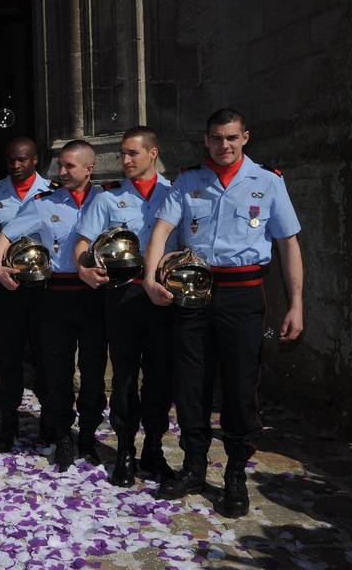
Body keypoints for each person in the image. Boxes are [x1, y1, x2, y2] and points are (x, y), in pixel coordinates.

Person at [143, 108, 304, 518]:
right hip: (193, 292)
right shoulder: (188, 180)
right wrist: (150, 277)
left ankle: (234, 473)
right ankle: (193, 465)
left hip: (243, 295)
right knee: (191, 382)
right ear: (206, 139)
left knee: (240, 383)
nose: (224, 145)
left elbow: (288, 244)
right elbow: (162, 229)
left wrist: (296, 305)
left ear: (245, 137)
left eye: (232, 137)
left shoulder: (267, 182)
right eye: (217, 138)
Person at [0, 140, 106, 471]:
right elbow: (7, 235)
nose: (62, 171)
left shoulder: (107, 200)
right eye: (60, 165)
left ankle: (87, 433)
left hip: (94, 296)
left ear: (89, 168)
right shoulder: (44, 203)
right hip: (55, 295)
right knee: (57, 371)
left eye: (71, 166)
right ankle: (63, 437)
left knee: (94, 369)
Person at [73, 127, 177, 486]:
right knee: (124, 377)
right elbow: (82, 244)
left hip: (163, 298)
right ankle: (126, 452)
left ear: (153, 153)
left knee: (161, 377)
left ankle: (153, 449)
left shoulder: (176, 194)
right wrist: (84, 270)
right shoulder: (108, 200)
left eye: (133, 153)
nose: (126, 160)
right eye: (122, 154)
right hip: (123, 298)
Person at [0, 137, 55, 451]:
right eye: (11, 161)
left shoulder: (54, 191)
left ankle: (49, 419)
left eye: (23, 160)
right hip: (7, 286)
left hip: (45, 289)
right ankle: (8, 419)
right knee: (8, 358)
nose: (16, 166)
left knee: (45, 356)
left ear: (35, 159)